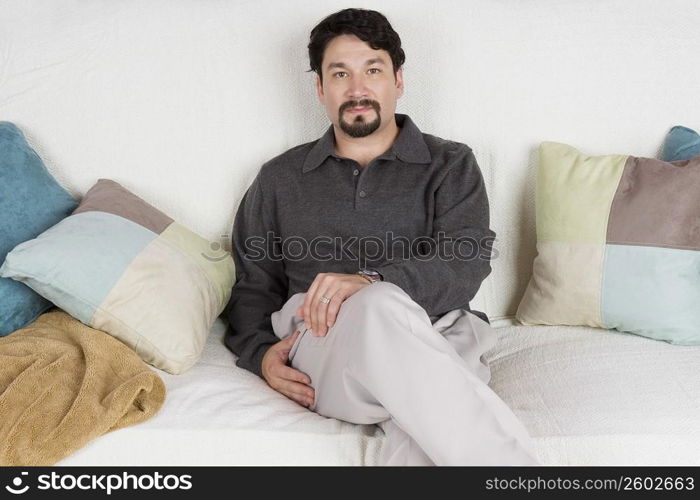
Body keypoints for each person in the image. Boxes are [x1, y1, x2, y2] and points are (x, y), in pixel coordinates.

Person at [225, 8, 539, 466]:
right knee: (381, 313)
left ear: (398, 80)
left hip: (439, 334)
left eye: (373, 70)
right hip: (326, 348)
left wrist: (372, 280)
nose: (357, 89)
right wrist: (260, 358)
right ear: (320, 88)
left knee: (423, 437)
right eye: (340, 74)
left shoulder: (451, 163)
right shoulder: (279, 178)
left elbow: (465, 262)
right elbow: (253, 287)